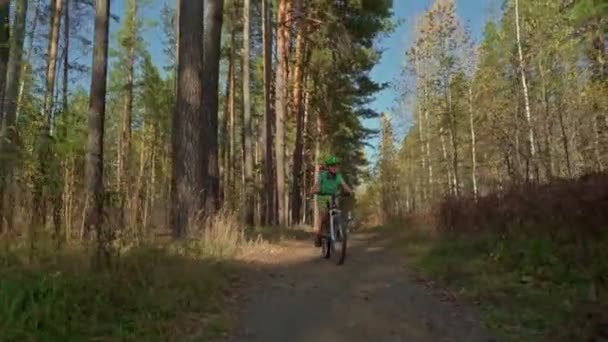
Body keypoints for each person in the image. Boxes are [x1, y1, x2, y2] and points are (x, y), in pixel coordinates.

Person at [310, 156, 353, 247]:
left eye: (336, 166)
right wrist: (315, 190)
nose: (335, 168)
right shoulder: (323, 175)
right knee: (324, 214)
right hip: (322, 197)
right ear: (328, 167)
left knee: (338, 212)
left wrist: (349, 191)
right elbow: (316, 186)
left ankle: (338, 231)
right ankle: (319, 234)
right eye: (332, 166)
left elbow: (344, 185)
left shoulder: (338, 176)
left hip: (333, 196)